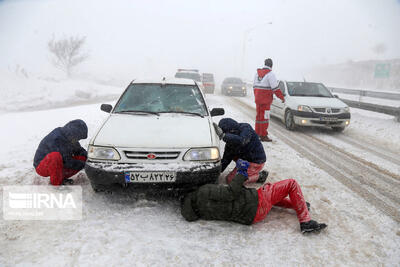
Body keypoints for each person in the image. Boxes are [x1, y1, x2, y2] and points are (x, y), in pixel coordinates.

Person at [181, 159, 327, 234]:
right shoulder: (203, 192)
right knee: (291, 184)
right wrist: (241, 172)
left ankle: (298, 205)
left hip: (250, 215)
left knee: (270, 192)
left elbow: (227, 202)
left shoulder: (199, 210)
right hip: (255, 202)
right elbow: (231, 193)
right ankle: (305, 222)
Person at [33, 119, 88, 186]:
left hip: (60, 163)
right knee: (55, 157)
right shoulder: (56, 139)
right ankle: (56, 185)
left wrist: (90, 159)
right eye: (78, 138)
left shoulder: (70, 137)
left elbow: (79, 151)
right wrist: (84, 165)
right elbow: (66, 161)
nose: (78, 140)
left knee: (82, 158)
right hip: (42, 166)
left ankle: (60, 178)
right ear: (73, 133)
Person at [214, 118, 268, 184]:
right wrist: (215, 172)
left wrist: (224, 136)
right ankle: (243, 170)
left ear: (232, 131)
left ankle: (260, 176)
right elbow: (226, 159)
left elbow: (242, 140)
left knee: (233, 182)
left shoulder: (246, 128)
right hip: (244, 159)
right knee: (229, 179)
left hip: (255, 161)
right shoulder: (231, 142)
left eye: (227, 134)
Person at [253, 58, 285, 142]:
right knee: (265, 118)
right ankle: (263, 135)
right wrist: (282, 97)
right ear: (271, 65)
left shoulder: (257, 74)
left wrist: (257, 96)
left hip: (258, 100)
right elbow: (275, 88)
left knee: (259, 117)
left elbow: (254, 86)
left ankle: (257, 134)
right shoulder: (270, 74)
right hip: (266, 100)